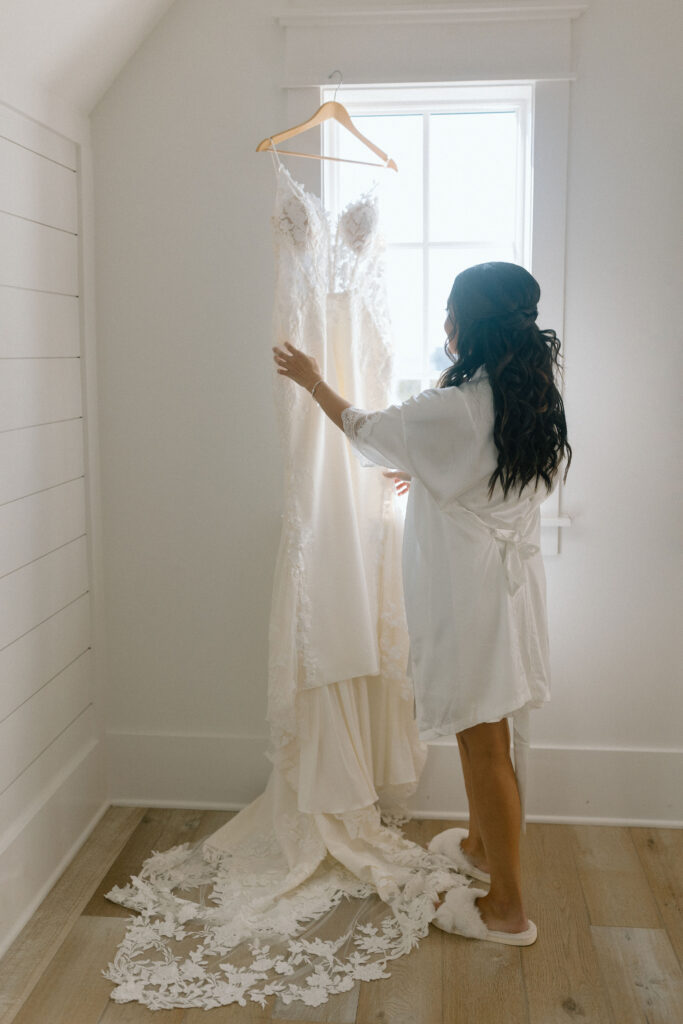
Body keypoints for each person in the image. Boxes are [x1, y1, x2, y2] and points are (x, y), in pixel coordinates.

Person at [272, 260, 572, 944]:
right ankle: (476, 849)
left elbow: (366, 429)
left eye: (448, 311)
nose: (443, 322)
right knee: (488, 734)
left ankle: (506, 910)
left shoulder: (453, 406)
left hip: (471, 597)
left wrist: (312, 379)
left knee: (482, 742)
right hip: (507, 593)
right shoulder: (530, 395)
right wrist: (436, 477)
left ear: (463, 323)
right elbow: (498, 475)